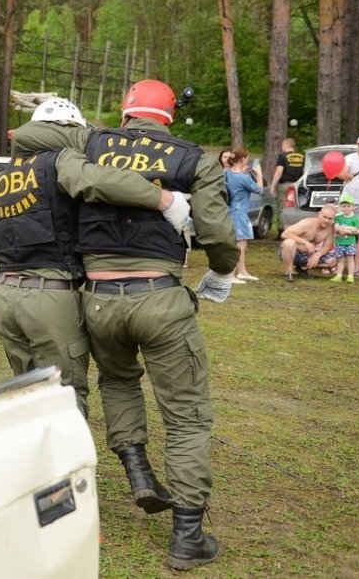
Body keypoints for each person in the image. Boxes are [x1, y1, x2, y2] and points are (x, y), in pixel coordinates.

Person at [77, 80, 238, 570]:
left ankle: (138, 469)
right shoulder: (194, 159)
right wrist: (222, 270)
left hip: (97, 298)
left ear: (125, 112)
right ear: (169, 116)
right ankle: (187, 536)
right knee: (186, 417)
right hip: (160, 296)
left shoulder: (89, 143)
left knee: (119, 380)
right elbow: (214, 229)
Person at [0, 97, 192, 421]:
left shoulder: (4, 175)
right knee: (66, 396)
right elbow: (101, 181)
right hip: (51, 294)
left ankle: (39, 467)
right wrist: (163, 199)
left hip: (5, 297)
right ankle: (68, 470)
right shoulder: (60, 161)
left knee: (28, 393)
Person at [224, 147, 262, 283]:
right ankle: (231, 275)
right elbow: (259, 189)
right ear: (242, 159)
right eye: (246, 157)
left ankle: (242, 271)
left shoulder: (227, 173)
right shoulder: (243, 178)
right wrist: (259, 174)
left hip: (230, 211)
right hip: (239, 213)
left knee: (242, 242)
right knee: (239, 244)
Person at [278, 204, 337, 282]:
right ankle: (289, 273)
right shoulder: (308, 223)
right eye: (324, 217)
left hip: (308, 255)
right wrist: (305, 242)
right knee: (289, 242)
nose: (326, 220)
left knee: (334, 260)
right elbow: (285, 233)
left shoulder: (330, 229)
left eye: (330, 219)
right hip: (293, 252)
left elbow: (327, 246)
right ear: (319, 214)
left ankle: (303, 268)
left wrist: (317, 255)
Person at [270, 138, 304, 238]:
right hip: (297, 186)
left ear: (285, 145)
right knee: (296, 207)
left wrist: (273, 185)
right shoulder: (301, 156)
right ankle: (296, 229)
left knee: (282, 208)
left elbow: (279, 171)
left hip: (285, 185)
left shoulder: (283, 156)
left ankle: (282, 230)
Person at [330, 193, 359, 283]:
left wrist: (348, 231)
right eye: (343, 206)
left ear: (352, 207)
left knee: (350, 259)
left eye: (348, 206)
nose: (346, 208)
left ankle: (350, 276)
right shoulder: (338, 217)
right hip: (340, 242)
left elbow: (358, 230)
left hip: (350, 242)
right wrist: (348, 229)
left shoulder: (355, 219)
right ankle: (338, 275)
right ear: (340, 207)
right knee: (340, 260)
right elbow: (336, 227)